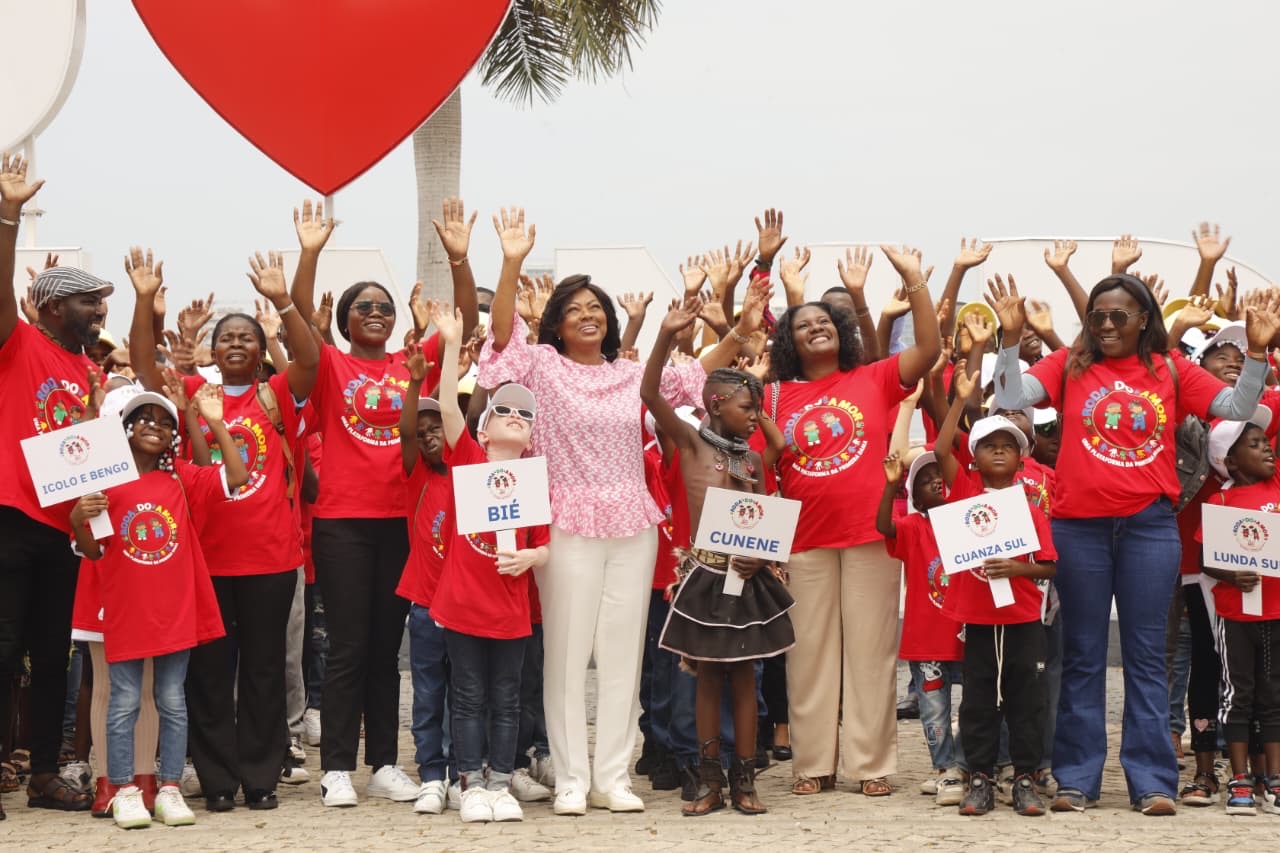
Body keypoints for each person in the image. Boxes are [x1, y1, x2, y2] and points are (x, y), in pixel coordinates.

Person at [479, 208, 764, 816]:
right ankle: (572, 780)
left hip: (634, 526)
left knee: (620, 654)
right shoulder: (541, 366)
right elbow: (502, 340)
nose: (589, 316)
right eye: (575, 309)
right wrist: (510, 262)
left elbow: (699, 376)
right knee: (565, 653)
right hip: (567, 522)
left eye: (597, 308)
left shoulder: (633, 372)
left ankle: (612, 777)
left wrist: (739, 328)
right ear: (555, 323)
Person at [989, 272, 1279, 815]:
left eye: (1118, 316)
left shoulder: (1169, 367)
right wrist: (1008, 340)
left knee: (1148, 658)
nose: (1105, 325)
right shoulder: (1072, 365)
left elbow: (1237, 409)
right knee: (1082, 655)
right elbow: (1009, 394)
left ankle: (1151, 782)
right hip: (1080, 530)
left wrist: (1258, 352)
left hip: (1149, 527)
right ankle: (1077, 780)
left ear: (1144, 318)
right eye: (1097, 316)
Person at [289, 199, 479, 808]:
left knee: (385, 647)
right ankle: (337, 767)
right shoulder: (330, 367)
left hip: (405, 523)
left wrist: (458, 257)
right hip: (343, 523)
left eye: (384, 307)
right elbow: (296, 318)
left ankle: (383, 764)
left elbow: (465, 322)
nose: (375, 312)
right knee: (347, 644)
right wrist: (310, 255)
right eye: (363, 307)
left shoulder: (411, 363)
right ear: (345, 322)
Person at [128, 228, 322, 812]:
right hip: (205, 560)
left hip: (270, 558)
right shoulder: (190, 392)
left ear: (261, 351)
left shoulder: (277, 394)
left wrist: (284, 301)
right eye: (226, 337)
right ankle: (216, 779)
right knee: (210, 674)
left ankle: (261, 776)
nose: (236, 342)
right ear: (213, 349)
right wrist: (143, 300)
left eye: (247, 336)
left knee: (264, 672)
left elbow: (311, 357)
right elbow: (142, 365)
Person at [763, 239, 941, 797]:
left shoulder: (875, 376)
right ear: (788, 341)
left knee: (870, 652)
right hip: (803, 540)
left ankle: (871, 765)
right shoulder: (774, 397)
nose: (816, 327)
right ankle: (812, 762)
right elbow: (762, 469)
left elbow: (930, 347)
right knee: (808, 654)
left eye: (825, 320)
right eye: (802, 324)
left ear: (842, 331)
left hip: (872, 535)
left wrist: (914, 281)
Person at [69, 386, 249, 829]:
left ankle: (169, 788)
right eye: (143, 418)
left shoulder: (182, 478)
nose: (155, 427)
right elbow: (92, 552)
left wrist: (214, 421)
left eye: (165, 422)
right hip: (127, 608)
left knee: (172, 701)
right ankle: (125, 790)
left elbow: (238, 475)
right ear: (124, 429)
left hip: (176, 609)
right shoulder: (105, 483)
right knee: (125, 701)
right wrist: (78, 520)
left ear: (174, 436)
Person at [641, 301, 795, 816]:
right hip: (702, 574)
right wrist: (664, 336)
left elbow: (762, 514)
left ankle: (745, 778)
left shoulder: (751, 458)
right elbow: (648, 394)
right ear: (715, 402)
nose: (754, 417)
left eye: (756, 410)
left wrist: (761, 557)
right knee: (706, 678)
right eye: (747, 409)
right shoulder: (688, 444)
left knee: (745, 677)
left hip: (747, 576)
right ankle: (709, 781)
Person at [0, 153, 108, 813]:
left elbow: (89, 457)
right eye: (87, 299)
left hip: (62, 528)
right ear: (49, 304)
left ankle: (43, 773)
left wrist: (91, 526)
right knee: (4, 646)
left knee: (52, 652)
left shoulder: (84, 368)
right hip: (12, 516)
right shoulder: (16, 343)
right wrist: (9, 214)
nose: (97, 308)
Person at [430, 302, 549, 823]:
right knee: (468, 697)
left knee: (508, 699)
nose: (517, 419)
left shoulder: (535, 477)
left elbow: (546, 544)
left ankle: (501, 782)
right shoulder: (469, 460)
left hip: (511, 611)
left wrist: (531, 556)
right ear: (483, 430)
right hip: (462, 605)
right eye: (505, 411)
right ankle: (469, 781)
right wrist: (453, 345)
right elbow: (448, 410)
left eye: (526, 415)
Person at [935, 368, 1058, 816]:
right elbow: (937, 448)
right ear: (975, 459)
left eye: (1009, 446)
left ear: (1023, 458)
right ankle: (981, 778)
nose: (1000, 451)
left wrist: (1017, 567)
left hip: (1024, 619)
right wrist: (959, 401)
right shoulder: (965, 494)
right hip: (979, 619)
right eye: (990, 446)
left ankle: (1024, 777)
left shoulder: (1030, 507)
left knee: (1028, 699)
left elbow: (1048, 565)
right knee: (979, 701)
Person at [1198, 412, 1280, 815]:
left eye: (1267, 442)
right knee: (1238, 694)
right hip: (1235, 617)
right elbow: (1206, 559)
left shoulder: (1277, 485)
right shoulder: (1221, 501)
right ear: (1229, 462)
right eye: (1254, 444)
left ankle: (1275, 780)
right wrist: (1232, 573)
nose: (1266, 448)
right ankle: (1240, 778)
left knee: (1274, 694)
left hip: (1277, 612)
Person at [876, 450, 966, 807]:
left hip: (970, 636)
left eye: (941, 474)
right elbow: (884, 527)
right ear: (914, 497)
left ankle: (967, 766)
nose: (936, 480)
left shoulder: (972, 524)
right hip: (927, 640)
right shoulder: (914, 529)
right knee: (934, 711)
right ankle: (945, 769)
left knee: (977, 706)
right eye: (925, 480)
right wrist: (889, 485)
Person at [395, 336, 454, 816]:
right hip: (425, 605)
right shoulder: (418, 475)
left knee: (467, 695)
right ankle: (431, 773)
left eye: (439, 427)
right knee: (429, 694)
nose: (430, 435)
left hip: (469, 607)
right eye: (423, 429)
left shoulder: (474, 471)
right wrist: (415, 384)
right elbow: (404, 432)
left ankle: (462, 769)